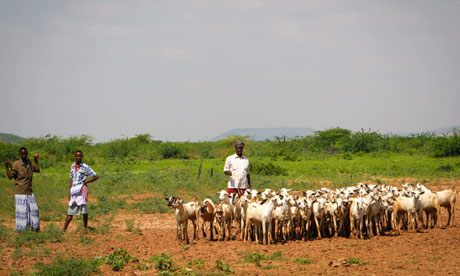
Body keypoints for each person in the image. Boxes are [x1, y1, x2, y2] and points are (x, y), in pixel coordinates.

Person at [5, 147, 41, 231]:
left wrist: (36, 161)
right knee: (23, 212)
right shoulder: (16, 164)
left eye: (26, 154)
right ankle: (22, 229)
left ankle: (34, 228)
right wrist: (6, 167)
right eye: (23, 154)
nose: (24, 155)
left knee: (34, 209)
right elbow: (10, 176)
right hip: (20, 192)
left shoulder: (29, 163)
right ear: (20, 154)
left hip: (29, 191)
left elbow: (37, 170)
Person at [63, 150, 99, 233]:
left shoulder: (85, 166)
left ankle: (85, 229)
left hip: (82, 189)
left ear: (82, 156)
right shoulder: (72, 166)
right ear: (75, 157)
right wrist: (70, 192)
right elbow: (71, 179)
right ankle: (63, 230)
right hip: (74, 190)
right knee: (71, 209)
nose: (78, 157)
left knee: (84, 210)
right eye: (77, 156)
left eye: (80, 156)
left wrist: (86, 182)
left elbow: (96, 176)